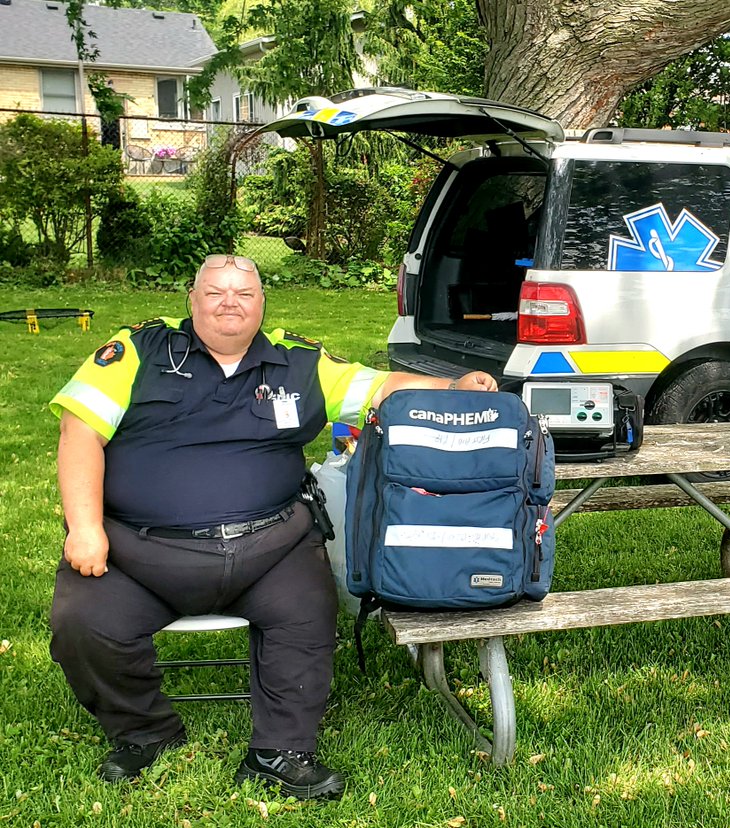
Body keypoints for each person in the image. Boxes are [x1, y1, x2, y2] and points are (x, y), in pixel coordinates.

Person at [48, 254, 497, 798]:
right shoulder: (137, 350)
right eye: (215, 292)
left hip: (271, 547)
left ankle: (280, 752)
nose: (229, 303)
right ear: (192, 300)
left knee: (306, 616)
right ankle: (146, 733)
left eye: (244, 293)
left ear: (262, 304)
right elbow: (79, 432)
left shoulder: (298, 361)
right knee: (84, 623)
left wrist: (454, 390)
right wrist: (85, 527)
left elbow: (380, 387)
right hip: (139, 553)